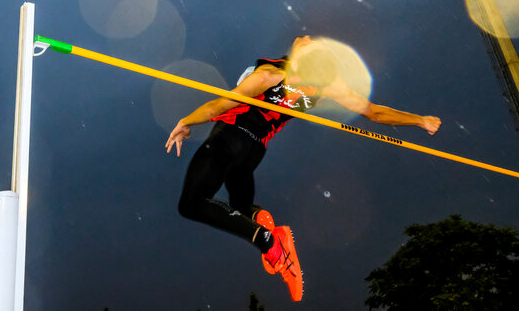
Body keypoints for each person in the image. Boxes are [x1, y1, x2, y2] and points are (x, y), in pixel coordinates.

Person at [164, 35, 441, 302]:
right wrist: (421, 121)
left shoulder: (269, 75)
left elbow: (220, 104)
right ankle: (265, 226)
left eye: (307, 44)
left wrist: (186, 121)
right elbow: (374, 112)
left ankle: (269, 243)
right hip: (254, 151)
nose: (305, 38)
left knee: (191, 204)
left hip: (230, 136)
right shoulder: (327, 87)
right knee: (240, 206)